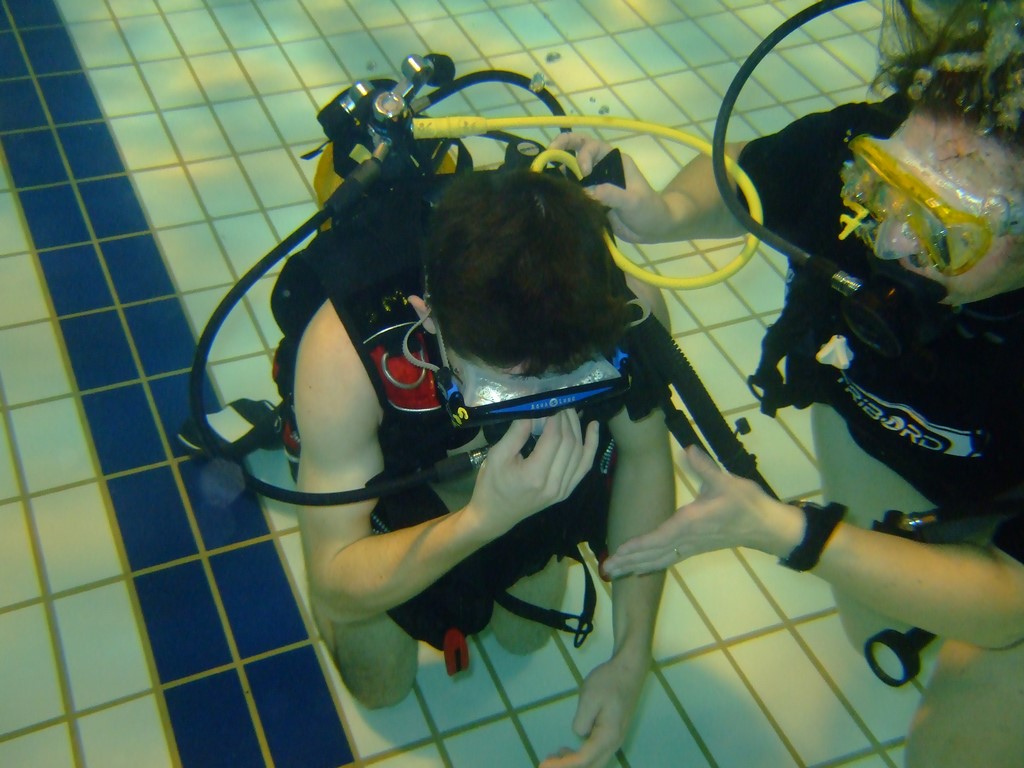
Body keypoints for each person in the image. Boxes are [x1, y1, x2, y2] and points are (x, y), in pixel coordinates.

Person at [550, 2, 1024, 766]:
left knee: (952, 748)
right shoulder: (877, 139)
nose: (891, 238)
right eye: (883, 187)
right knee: (875, 623)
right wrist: (668, 213)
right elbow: (748, 169)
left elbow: (1007, 602)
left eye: (948, 229)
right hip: (875, 427)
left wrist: (789, 533)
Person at [290, 167, 675, 767]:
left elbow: (646, 460)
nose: (540, 416)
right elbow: (336, 583)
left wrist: (632, 655)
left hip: (526, 504)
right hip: (414, 513)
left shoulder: (626, 310)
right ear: (431, 320)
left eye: (572, 380)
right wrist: (480, 521)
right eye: (504, 390)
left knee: (527, 638)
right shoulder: (344, 354)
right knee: (381, 684)